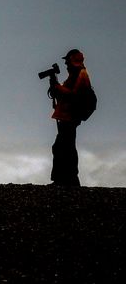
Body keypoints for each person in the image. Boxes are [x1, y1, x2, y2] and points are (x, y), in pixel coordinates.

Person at [48, 49, 92, 187]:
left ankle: (68, 180)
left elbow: (74, 95)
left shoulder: (81, 74)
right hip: (67, 116)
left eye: (67, 61)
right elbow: (65, 93)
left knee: (64, 146)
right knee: (63, 146)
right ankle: (65, 179)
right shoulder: (74, 75)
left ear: (73, 60)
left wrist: (57, 87)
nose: (66, 64)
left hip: (71, 117)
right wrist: (56, 87)